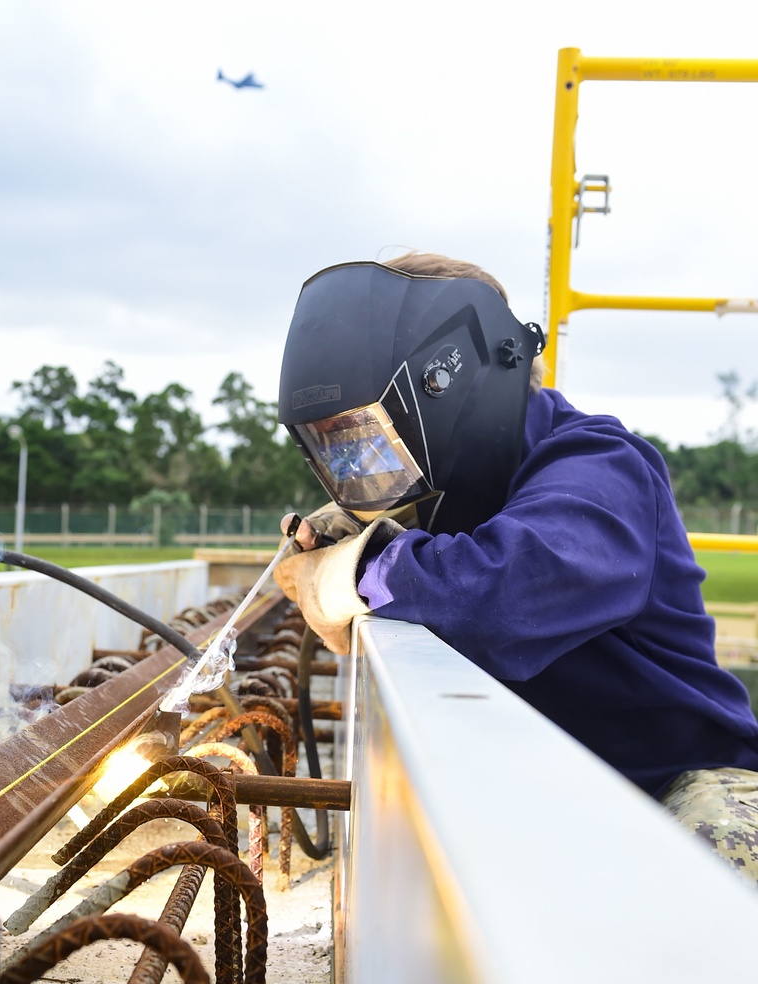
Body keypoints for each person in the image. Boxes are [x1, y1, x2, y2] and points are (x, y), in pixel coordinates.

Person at [274, 252, 758, 883]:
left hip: (679, 784)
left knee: (711, 866)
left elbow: (499, 593)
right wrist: (356, 538)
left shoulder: (600, 465)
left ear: (451, 383)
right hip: (565, 785)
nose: (363, 466)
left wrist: (354, 570)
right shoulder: (451, 499)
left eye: (370, 435)